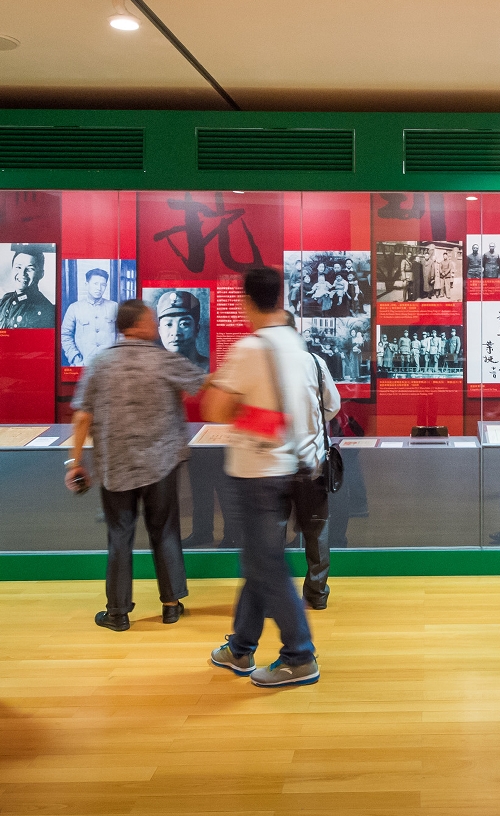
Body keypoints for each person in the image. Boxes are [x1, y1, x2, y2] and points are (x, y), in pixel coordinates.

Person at [203, 267, 334, 687]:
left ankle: (300, 655)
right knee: (259, 561)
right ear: (280, 296)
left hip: (256, 473)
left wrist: (233, 401)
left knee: (267, 564)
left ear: (245, 301)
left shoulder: (249, 349)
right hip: (293, 469)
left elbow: (214, 410)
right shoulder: (298, 346)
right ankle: (240, 648)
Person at [67, 300, 205, 630]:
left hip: (115, 466)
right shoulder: (163, 360)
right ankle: (171, 605)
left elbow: (82, 415)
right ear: (141, 324)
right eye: (154, 320)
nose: (157, 325)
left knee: (119, 536)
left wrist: (76, 463)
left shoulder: (99, 363)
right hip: (162, 463)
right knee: (166, 530)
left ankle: (117, 613)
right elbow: (201, 383)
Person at [283, 311, 343, 608]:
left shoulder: (266, 364)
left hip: (275, 464)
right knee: (317, 528)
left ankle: (274, 598)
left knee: (273, 532)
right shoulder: (315, 364)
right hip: (312, 461)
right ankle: (317, 594)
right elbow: (332, 405)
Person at [61, 267, 119, 366]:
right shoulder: (75, 308)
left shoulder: (114, 306)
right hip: (83, 364)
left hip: (109, 365)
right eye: (95, 284)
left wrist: (116, 357)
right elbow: (65, 335)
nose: (99, 288)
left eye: (103, 285)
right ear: (86, 285)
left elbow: (122, 334)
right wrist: (75, 358)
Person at [0, 246, 55, 329]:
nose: (22, 274)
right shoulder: (4, 300)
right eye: (18, 267)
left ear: (41, 274)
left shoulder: (47, 310)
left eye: (30, 269)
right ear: (12, 269)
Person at [155, 290, 210, 371]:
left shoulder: (209, 368)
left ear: (197, 328)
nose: (176, 332)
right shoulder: (154, 369)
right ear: (160, 331)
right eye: (168, 324)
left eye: (184, 324)